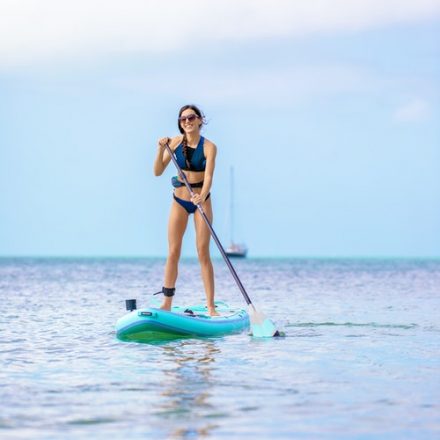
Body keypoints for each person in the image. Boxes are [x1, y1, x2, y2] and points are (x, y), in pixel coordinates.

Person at [153, 104, 219, 316]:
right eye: (183, 119)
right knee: (173, 252)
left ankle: (210, 307)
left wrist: (202, 194)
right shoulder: (174, 142)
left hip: (202, 200)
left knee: (203, 253)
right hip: (179, 201)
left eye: (191, 118)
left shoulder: (209, 147)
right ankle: (166, 303)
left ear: (200, 120)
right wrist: (161, 149)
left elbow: (208, 177)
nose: (187, 122)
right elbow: (157, 172)